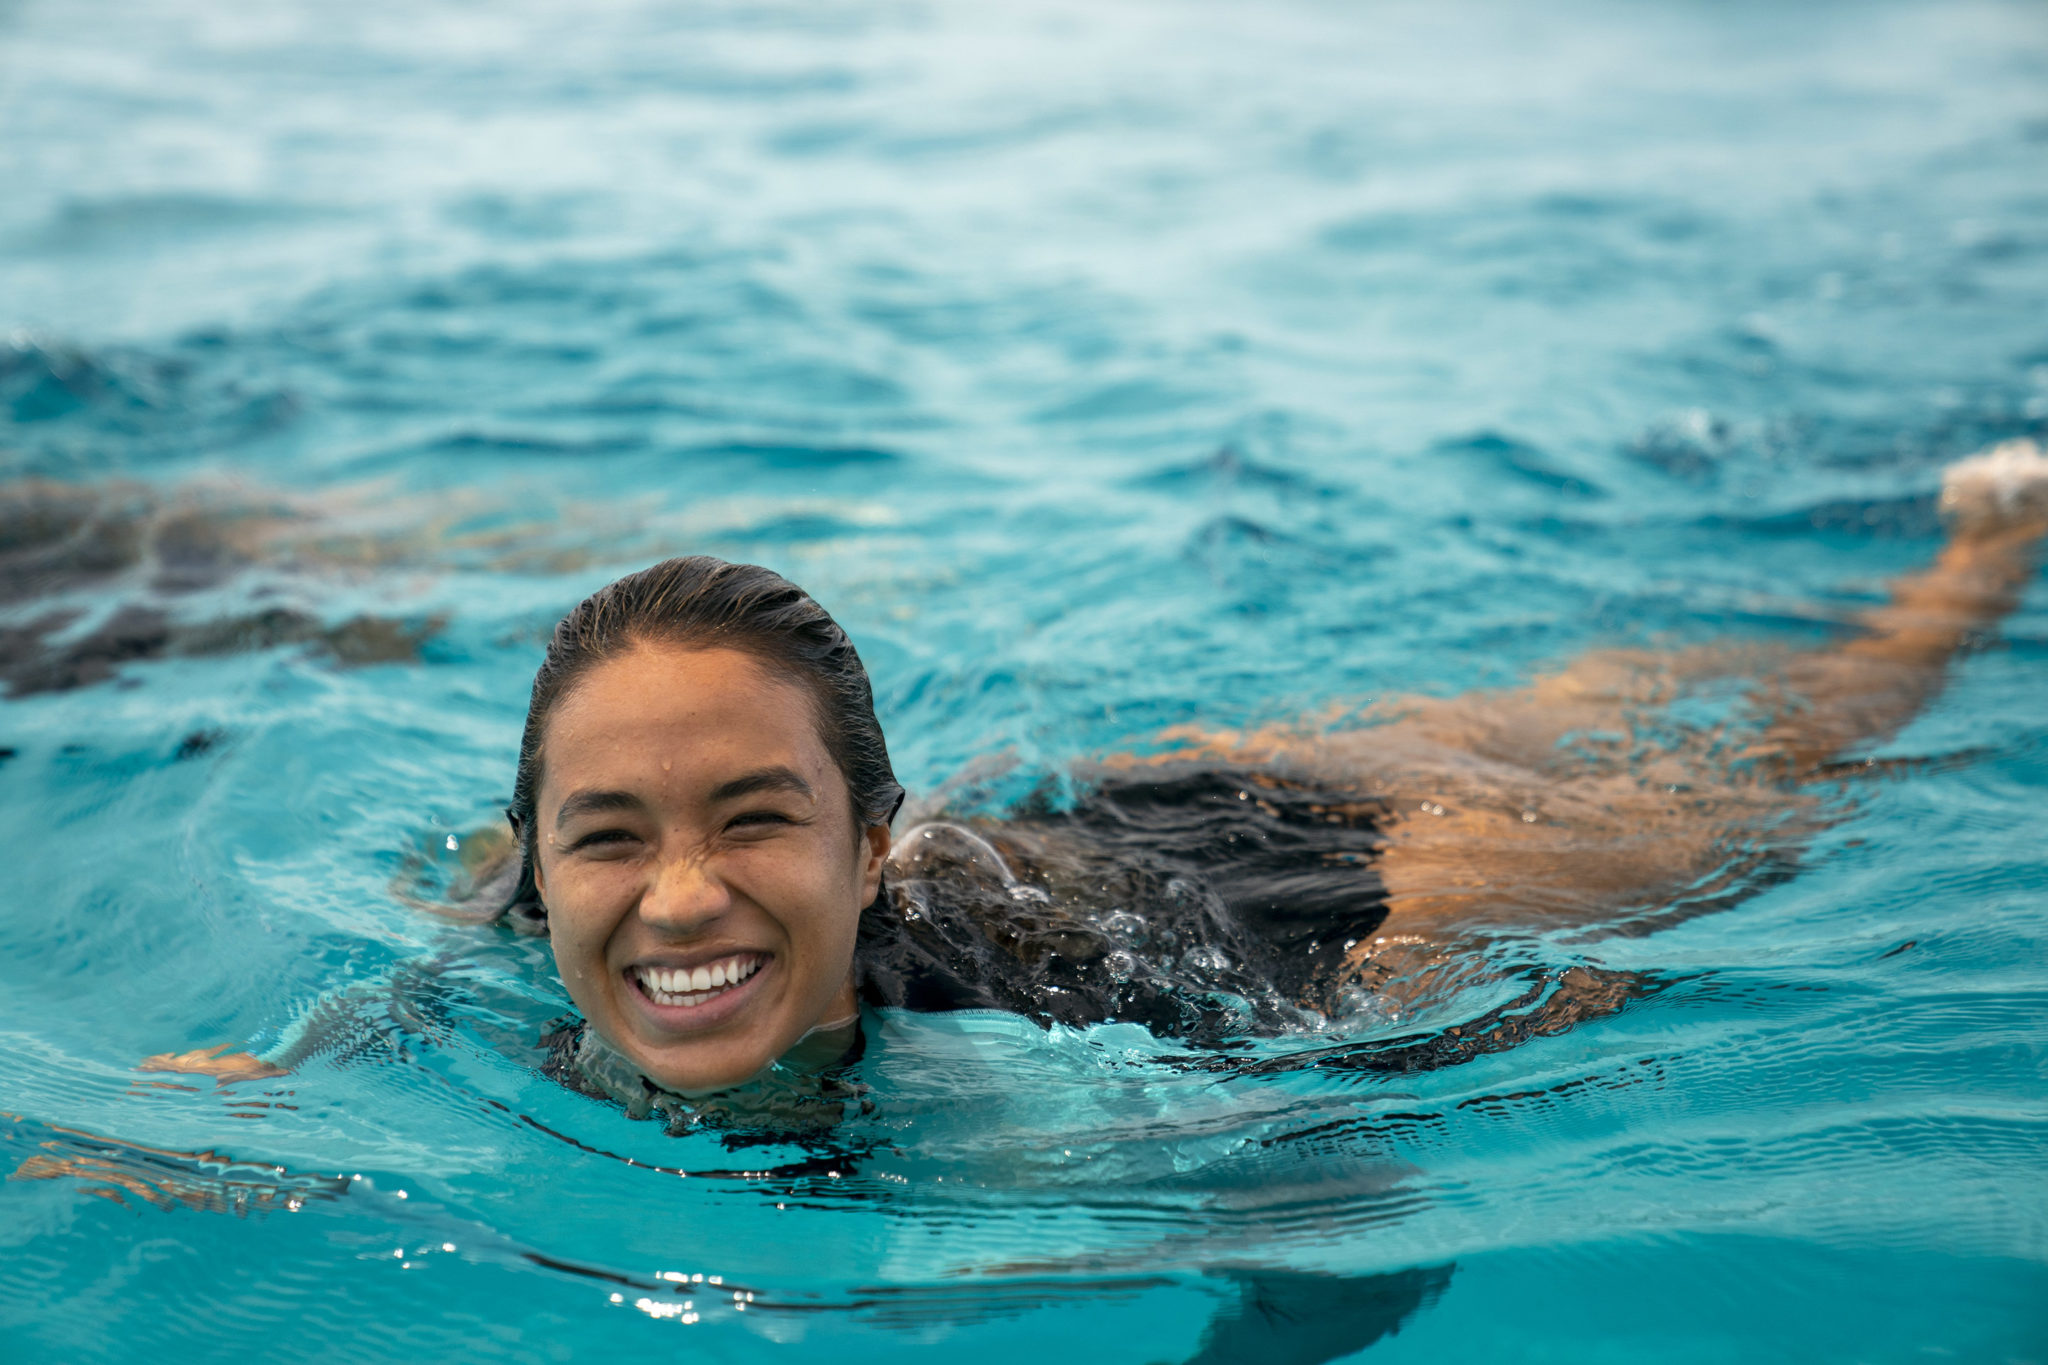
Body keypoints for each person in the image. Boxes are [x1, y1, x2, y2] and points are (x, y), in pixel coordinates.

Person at [143, 440, 2048, 1116]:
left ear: (869, 844)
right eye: (609, 836)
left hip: (1340, 906)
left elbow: (1317, 1172)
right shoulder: (517, 907)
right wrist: (272, 1092)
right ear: (543, 858)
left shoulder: (1025, 1058)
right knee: (1556, 688)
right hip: (1105, 815)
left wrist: (1489, 1016)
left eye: (754, 816)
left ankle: (1982, 554)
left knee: (1774, 762)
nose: (677, 895)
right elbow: (403, 1000)